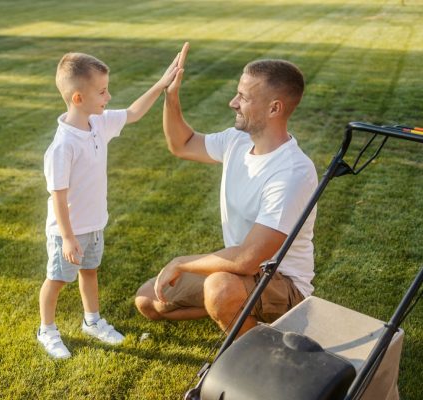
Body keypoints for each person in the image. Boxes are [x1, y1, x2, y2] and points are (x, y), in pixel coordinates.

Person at [135, 43, 318, 337]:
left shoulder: (293, 172)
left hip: (283, 285)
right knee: (149, 300)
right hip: (238, 274)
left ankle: (252, 355)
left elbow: (249, 258)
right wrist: (171, 96)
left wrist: (183, 262)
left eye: (243, 97)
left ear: (274, 108)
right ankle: (239, 312)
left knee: (219, 288)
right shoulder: (238, 140)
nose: (233, 102)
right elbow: (182, 144)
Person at [38, 48, 183, 359]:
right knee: (57, 279)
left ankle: (92, 320)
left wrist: (161, 84)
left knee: (90, 271)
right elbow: (58, 196)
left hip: (94, 225)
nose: (109, 96)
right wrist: (67, 238)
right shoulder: (62, 146)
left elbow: (132, 113)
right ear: (78, 98)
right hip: (68, 233)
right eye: (102, 91)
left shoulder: (97, 124)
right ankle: (46, 329)